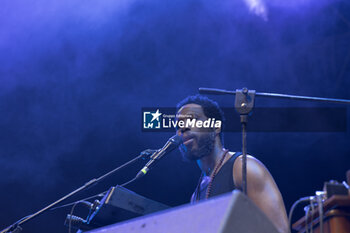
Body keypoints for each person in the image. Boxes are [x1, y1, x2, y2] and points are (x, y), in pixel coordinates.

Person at [175, 95, 289, 233]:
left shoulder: (244, 168)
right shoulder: (196, 195)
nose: (183, 128)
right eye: (178, 125)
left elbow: (279, 230)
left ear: (216, 127)